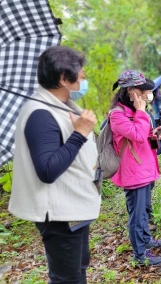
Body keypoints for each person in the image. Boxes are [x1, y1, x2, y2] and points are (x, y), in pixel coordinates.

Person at [8, 45, 100, 283]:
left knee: (78, 267)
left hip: (72, 206)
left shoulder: (60, 106)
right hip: (59, 215)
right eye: (80, 76)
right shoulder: (40, 113)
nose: (84, 80)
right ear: (63, 78)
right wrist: (79, 134)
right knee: (67, 278)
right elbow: (47, 170)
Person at [109, 70, 161, 266]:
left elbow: (142, 138)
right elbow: (137, 136)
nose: (146, 95)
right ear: (130, 91)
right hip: (134, 172)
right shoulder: (117, 115)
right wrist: (141, 111)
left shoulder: (134, 112)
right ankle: (140, 255)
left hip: (145, 169)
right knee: (136, 213)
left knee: (145, 210)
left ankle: (146, 239)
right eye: (142, 91)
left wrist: (154, 135)